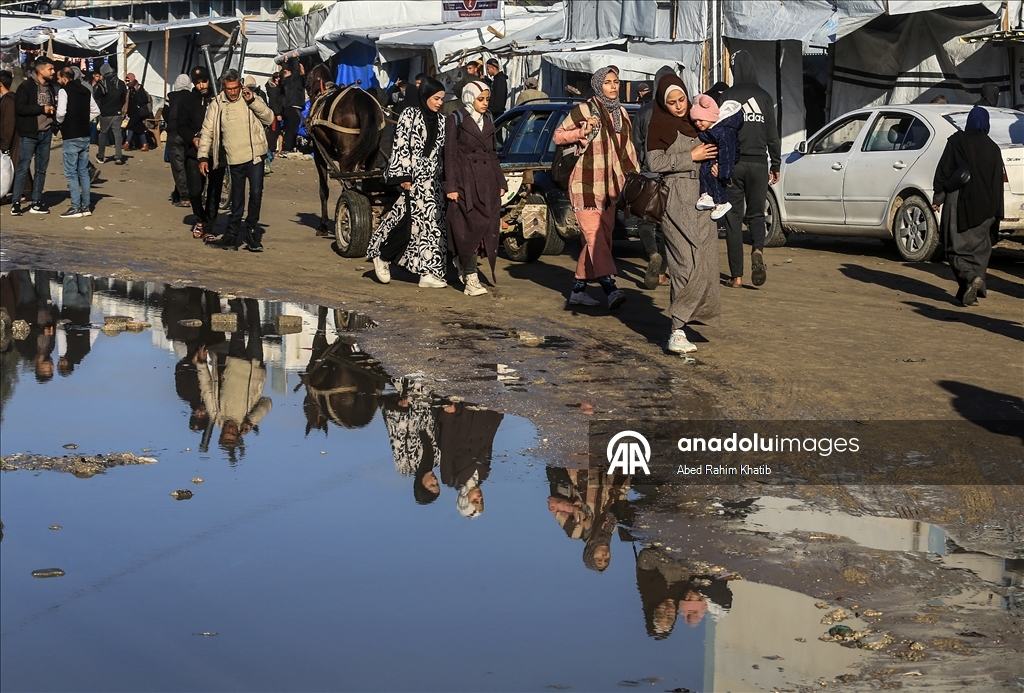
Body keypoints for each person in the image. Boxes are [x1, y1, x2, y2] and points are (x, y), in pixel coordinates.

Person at [646, 74, 722, 355]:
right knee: (684, 263)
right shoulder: (659, 125)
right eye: (672, 102)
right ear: (663, 103)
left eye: (682, 100)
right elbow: (654, 162)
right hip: (675, 199)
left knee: (706, 261)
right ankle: (676, 329)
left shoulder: (697, 121)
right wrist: (691, 157)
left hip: (704, 197)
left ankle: (689, 318)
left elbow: (715, 150)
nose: (679, 106)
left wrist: (715, 166)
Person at [553, 65, 638, 309]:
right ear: (598, 85)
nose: (613, 86)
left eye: (616, 82)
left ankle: (578, 290)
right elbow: (558, 136)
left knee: (599, 241)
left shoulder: (622, 112)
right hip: (585, 185)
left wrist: (633, 178)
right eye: (607, 82)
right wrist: (582, 131)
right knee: (595, 237)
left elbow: (628, 149)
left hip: (610, 189)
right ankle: (610, 288)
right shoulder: (584, 109)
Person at [366, 76, 449, 288]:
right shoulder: (410, 114)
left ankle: (428, 272)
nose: (440, 103)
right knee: (409, 223)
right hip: (414, 177)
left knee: (433, 227)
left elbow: (442, 152)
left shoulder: (442, 121)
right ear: (425, 96)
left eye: (442, 99)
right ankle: (383, 255)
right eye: (436, 98)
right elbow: (401, 145)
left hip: (433, 181)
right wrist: (404, 176)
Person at [931, 106, 1003, 306]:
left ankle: (971, 279)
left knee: (956, 249)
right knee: (979, 252)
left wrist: (938, 197)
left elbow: (944, 170)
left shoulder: (957, 141)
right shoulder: (993, 148)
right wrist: (997, 213)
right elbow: (998, 183)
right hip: (987, 208)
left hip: (960, 204)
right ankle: (969, 294)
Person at [721, 50, 781, 288]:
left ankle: (736, 276)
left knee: (733, 218)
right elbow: (772, 135)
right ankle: (757, 250)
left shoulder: (727, 95)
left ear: (735, 70)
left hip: (733, 165)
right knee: (756, 214)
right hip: (758, 164)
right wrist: (775, 164)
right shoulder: (764, 97)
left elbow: (719, 131)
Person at [197, 69, 274, 252]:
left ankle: (251, 231)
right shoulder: (217, 103)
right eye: (229, 89)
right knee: (237, 199)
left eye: (235, 88)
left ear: (240, 84)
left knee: (256, 194)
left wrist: (253, 101)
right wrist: (203, 156)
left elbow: (269, 118)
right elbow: (207, 131)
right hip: (234, 158)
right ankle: (231, 235)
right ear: (224, 87)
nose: (233, 92)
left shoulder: (250, 98)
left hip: (255, 156)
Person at [444, 81, 506, 296]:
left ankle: (465, 266)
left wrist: (501, 182)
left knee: (485, 228)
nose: (485, 103)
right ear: (470, 98)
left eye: (487, 99)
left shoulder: (488, 118)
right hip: (465, 182)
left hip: (487, 182)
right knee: (469, 229)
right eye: (481, 99)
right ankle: (470, 277)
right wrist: (451, 186)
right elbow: (449, 155)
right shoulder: (456, 119)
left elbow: (492, 153)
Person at [630, 66, 677, 289]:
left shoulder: (643, 111)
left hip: (648, 172)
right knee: (668, 224)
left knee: (645, 221)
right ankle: (661, 272)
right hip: (672, 175)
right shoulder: (677, 110)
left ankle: (652, 254)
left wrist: (640, 166)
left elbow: (636, 143)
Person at [177, 66, 223, 240]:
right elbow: (181, 125)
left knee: (214, 191)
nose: (201, 85)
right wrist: (192, 138)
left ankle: (209, 227)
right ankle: (200, 219)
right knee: (195, 190)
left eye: (204, 81)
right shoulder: (187, 101)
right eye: (197, 83)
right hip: (194, 152)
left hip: (216, 151)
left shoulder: (218, 99)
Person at [439, 400, 503, 519]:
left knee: (471, 390)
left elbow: (447, 447)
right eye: (481, 501)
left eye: (475, 501)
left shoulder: (451, 479)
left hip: (465, 421)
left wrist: (448, 417)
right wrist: (498, 414)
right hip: (486, 415)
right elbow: (489, 442)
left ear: (464, 500)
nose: (479, 497)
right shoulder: (483, 475)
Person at [10, 56, 56, 216]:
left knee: (41, 169)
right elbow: (20, 108)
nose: (53, 72)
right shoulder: (26, 87)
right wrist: (42, 109)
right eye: (50, 69)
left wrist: (53, 120)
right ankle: (16, 202)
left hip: (46, 133)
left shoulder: (51, 87)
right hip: (29, 134)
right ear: (41, 70)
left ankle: (36, 202)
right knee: (23, 167)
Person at [55, 66, 100, 218]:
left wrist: (61, 121)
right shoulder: (86, 90)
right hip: (84, 133)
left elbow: (61, 112)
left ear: (64, 78)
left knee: (71, 172)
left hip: (71, 134)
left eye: (59, 78)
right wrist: (83, 119)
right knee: (83, 171)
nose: (57, 80)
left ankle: (76, 206)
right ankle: (86, 206)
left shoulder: (64, 91)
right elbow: (96, 110)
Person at [690, 93, 743, 220]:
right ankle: (707, 195)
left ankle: (722, 202)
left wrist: (724, 173)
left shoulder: (724, 131)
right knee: (704, 170)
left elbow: (728, 153)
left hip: (723, 162)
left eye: (701, 120)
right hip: (715, 157)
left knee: (714, 175)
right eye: (695, 121)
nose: (697, 123)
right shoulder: (712, 130)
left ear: (710, 117)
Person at [165, 74, 192, 207]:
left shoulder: (171, 97)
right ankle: (179, 193)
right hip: (190, 134)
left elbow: (165, 113)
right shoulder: (193, 97)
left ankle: (185, 197)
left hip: (175, 133)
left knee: (178, 166)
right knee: (188, 164)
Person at [93, 63, 127, 165]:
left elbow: (96, 96)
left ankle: (101, 156)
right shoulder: (121, 83)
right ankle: (118, 156)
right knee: (117, 135)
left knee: (103, 134)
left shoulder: (102, 83)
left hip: (105, 112)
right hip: (117, 112)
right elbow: (124, 98)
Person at [0, 69, 24, 205]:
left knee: (8, 169)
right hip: (13, 141)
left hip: (10, 142)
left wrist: (4, 144)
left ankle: (18, 194)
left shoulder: (8, 101)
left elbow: (7, 124)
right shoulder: (9, 99)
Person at [280, 59, 305, 155]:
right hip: (293, 107)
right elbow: (295, 72)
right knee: (292, 129)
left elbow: (299, 76)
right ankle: (287, 148)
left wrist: (285, 61)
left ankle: (289, 147)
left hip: (288, 107)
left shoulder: (287, 82)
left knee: (289, 128)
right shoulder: (290, 80)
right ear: (286, 73)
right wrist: (295, 59)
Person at [124, 73, 151, 151]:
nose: (127, 82)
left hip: (138, 112)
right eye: (126, 80)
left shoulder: (138, 87)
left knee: (130, 126)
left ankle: (127, 142)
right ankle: (145, 144)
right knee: (139, 128)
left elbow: (145, 98)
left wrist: (138, 104)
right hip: (132, 112)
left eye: (128, 80)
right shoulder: (130, 89)